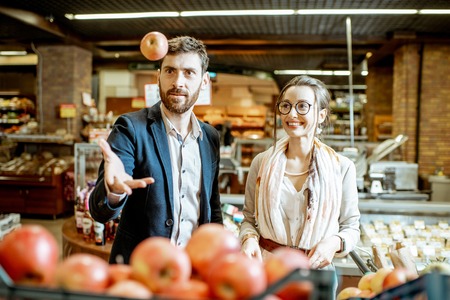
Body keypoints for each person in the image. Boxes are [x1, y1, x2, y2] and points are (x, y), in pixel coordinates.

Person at [89, 36, 223, 264]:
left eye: (189, 72)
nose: (178, 82)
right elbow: (101, 212)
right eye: (170, 71)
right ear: (158, 77)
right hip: (140, 269)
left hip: (194, 267)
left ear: (203, 82)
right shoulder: (130, 128)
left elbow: (212, 205)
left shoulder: (209, 137)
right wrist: (114, 190)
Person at [239, 75, 360, 285]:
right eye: (286, 106)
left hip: (316, 275)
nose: (292, 114)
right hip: (268, 270)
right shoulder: (261, 163)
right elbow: (249, 219)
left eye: (303, 106)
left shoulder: (341, 167)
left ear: (321, 115)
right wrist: (249, 239)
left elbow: (351, 226)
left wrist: (333, 243)